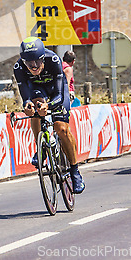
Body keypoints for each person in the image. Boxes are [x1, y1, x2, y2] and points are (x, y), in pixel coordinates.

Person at [13, 37, 85, 194]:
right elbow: (25, 96)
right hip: (38, 90)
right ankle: (42, 148)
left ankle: (75, 171)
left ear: (42, 58)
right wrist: (27, 105)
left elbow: (59, 94)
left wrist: (50, 105)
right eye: (29, 63)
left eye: (37, 62)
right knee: (35, 107)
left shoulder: (52, 59)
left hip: (56, 91)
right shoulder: (18, 67)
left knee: (61, 129)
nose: (33, 66)